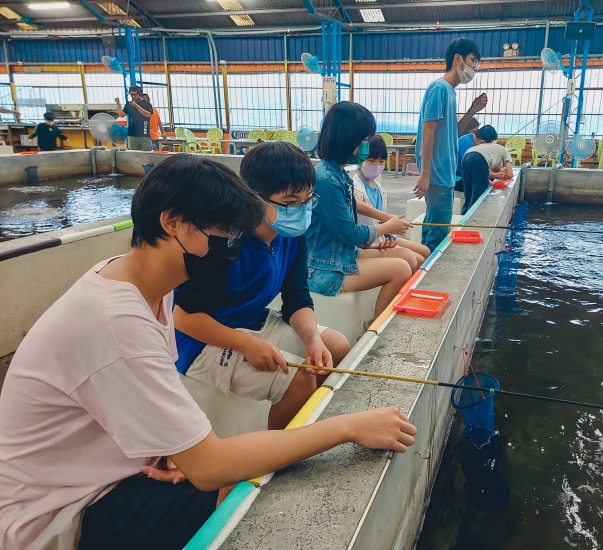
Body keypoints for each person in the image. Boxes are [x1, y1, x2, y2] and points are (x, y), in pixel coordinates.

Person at [0, 154, 417, 550]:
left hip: (111, 470)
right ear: (173, 223)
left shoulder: (143, 286)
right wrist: (347, 428)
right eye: (224, 233)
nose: (231, 246)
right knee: (238, 495)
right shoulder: (117, 323)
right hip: (61, 514)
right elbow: (211, 465)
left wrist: (176, 451)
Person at [174, 142, 351, 430]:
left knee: (336, 348)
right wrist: (246, 344)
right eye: (291, 201)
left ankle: (300, 425)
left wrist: (312, 340)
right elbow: (182, 317)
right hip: (200, 339)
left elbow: (296, 296)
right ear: (254, 197)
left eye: (307, 200)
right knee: (299, 380)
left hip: (250, 321)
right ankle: (276, 459)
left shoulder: (293, 235)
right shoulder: (224, 238)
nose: (301, 210)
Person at [306, 101, 415, 319]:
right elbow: (350, 233)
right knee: (401, 269)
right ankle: (375, 332)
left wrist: (374, 242)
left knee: (409, 258)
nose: (367, 146)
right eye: (363, 140)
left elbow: (345, 231)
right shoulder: (327, 180)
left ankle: (382, 321)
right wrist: (386, 227)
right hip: (323, 268)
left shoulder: (338, 174)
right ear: (346, 139)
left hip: (340, 254)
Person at [414, 38, 488, 251]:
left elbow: (451, 132)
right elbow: (428, 131)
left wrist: (473, 110)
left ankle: (421, 270)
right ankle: (425, 275)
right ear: (458, 59)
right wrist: (426, 174)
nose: (475, 68)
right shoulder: (439, 88)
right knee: (436, 234)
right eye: (473, 61)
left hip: (444, 174)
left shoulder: (449, 92)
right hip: (437, 175)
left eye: (477, 63)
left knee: (434, 228)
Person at [353, 135, 430, 268]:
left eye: (381, 161)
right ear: (361, 159)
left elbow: (381, 223)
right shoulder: (355, 184)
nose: (376, 166)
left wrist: (394, 226)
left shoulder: (380, 189)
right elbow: (357, 204)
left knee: (426, 251)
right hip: (367, 242)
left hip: (383, 237)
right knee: (417, 260)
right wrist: (389, 219)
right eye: (371, 160)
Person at [461, 125, 514, 214]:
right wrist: (504, 175)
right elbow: (510, 174)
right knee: (478, 195)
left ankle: (464, 216)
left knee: (469, 193)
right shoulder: (504, 151)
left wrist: (493, 183)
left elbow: (484, 177)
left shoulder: (485, 149)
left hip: (466, 157)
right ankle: (475, 217)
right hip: (477, 158)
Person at [455, 124, 503, 190]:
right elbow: (473, 168)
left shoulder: (471, 138)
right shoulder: (467, 144)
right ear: (482, 142)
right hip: (458, 176)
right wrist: (495, 175)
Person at [115, 85, 153, 151]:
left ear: (139, 94)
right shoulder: (129, 105)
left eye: (135, 95)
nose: (133, 97)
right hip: (132, 133)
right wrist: (118, 104)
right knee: (134, 154)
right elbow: (121, 114)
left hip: (144, 133)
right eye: (131, 95)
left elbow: (147, 114)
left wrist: (136, 106)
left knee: (147, 153)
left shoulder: (146, 104)